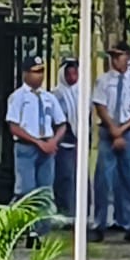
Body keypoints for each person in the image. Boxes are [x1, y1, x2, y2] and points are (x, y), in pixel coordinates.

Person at [91, 41, 130, 242]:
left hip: (128, 131)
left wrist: (122, 130)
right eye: (114, 56)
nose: (116, 60)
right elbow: (100, 106)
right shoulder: (104, 81)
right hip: (108, 130)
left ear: (128, 56)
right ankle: (99, 223)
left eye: (120, 55)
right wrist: (114, 129)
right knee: (103, 179)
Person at [5, 55, 64, 242]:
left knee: (44, 192)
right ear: (25, 74)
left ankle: (39, 232)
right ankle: (11, 226)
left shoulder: (49, 98)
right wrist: (38, 142)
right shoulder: (18, 97)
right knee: (26, 191)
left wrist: (53, 141)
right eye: (35, 72)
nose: (39, 76)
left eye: (42, 72)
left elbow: (61, 123)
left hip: (47, 147)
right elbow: (14, 125)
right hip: (27, 147)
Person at [52, 58, 81, 219]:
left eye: (75, 73)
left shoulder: (82, 92)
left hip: (79, 142)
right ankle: (66, 211)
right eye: (68, 73)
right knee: (65, 177)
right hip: (64, 142)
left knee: (80, 178)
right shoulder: (56, 94)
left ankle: (79, 211)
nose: (72, 77)